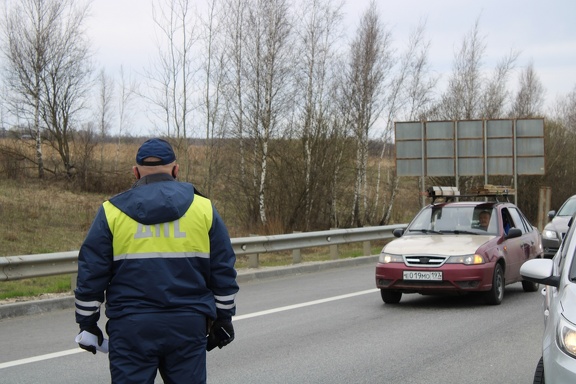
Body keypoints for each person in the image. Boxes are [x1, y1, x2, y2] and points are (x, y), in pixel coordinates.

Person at [74, 138, 239, 384]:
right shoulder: (203, 208)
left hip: (131, 327)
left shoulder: (112, 211)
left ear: (136, 171)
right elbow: (223, 268)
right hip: (187, 324)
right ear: (175, 169)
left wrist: (87, 322)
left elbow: (91, 272)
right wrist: (223, 318)